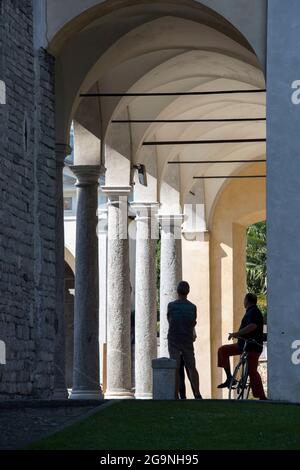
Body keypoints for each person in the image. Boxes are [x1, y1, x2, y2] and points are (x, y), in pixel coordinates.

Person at [217, 293, 267, 400]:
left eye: (244, 300)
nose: (243, 302)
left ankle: (262, 396)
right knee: (223, 350)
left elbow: (252, 326)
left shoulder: (253, 312)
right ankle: (230, 378)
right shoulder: (251, 312)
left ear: (247, 301)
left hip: (252, 347)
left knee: (252, 371)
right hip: (244, 345)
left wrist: (237, 333)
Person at [168, 281, 202, 400]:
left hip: (174, 338)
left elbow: (170, 320)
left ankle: (175, 395)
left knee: (175, 367)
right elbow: (193, 322)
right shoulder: (192, 307)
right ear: (188, 292)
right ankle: (197, 393)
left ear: (177, 292)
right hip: (187, 338)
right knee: (192, 366)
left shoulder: (171, 306)